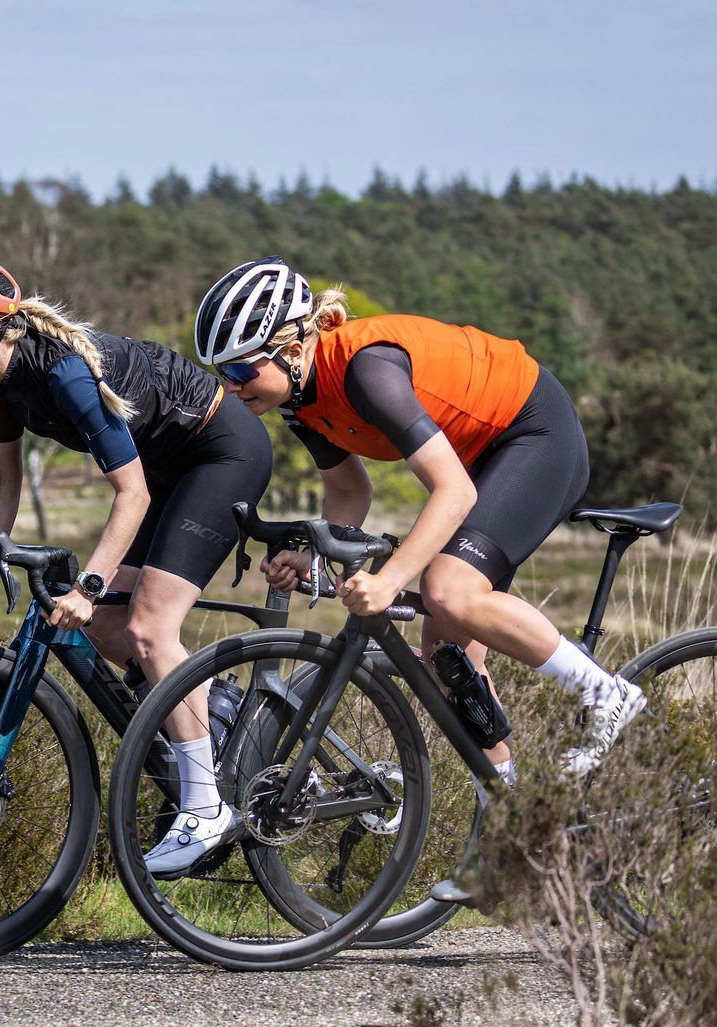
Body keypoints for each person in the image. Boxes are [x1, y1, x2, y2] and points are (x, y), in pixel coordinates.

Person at [191, 257, 647, 890]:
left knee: (447, 591)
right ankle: (514, 827)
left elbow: (453, 491)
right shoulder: (302, 399)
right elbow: (349, 494)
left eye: (243, 368)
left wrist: (386, 579)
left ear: (294, 346)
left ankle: (608, 695)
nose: (234, 385)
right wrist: (317, 556)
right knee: (446, 655)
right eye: (224, 373)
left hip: (533, 432)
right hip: (481, 457)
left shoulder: (366, 371)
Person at [0, 257, 272, 875]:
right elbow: (3, 476)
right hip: (167, 470)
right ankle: (211, 711)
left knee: (148, 627)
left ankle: (205, 806)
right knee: (101, 627)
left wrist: (91, 583)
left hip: (220, 452)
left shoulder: (64, 373)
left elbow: (130, 494)